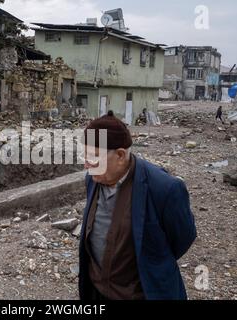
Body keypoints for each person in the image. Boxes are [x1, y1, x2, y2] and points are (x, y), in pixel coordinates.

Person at [79, 111, 197, 300]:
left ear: (120, 155)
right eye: (85, 156)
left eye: (93, 157)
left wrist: (154, 262)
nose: (86, 164)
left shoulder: (164, 188)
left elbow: (183, 239)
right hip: (97, 291)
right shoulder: (93, 179)